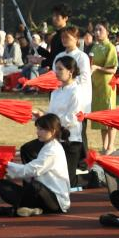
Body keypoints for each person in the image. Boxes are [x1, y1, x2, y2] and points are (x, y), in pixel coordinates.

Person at [0, 113, 71, 217]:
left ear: (52, 131)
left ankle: (16, 210)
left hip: (55, 201)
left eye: (41, 129)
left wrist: (6, 165)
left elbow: (33, 170)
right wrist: (7, 169)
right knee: (2, 185)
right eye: (37, 129)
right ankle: (29, 208)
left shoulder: (53, 150)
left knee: (35, 186)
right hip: (40, 196)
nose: (37, 132)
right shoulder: (47, 146)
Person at [25, 56, 87, 188]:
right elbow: (51, 115)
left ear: (70, 72)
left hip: (70, 140)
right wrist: (40, 116)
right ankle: (33, 183)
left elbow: (73, 119)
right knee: (27, 150)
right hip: (53, 138)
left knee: (69, 182)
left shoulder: (77, 92)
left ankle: (95, 176)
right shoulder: (55, 92)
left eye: (60, 69)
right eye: (55, 69)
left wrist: (49, 120)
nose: (56, 72)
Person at [90, 23, 118, 153]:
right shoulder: (95, 47)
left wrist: (97, 68)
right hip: (97, 85)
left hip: (107, 85)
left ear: (107, 32)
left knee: (109, 115)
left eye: (100, 30)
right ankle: (104, 145)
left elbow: (113, 69)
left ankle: (111, 145)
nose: (97, 32)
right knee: (101, 116)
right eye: (95, 30)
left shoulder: (110, 47)